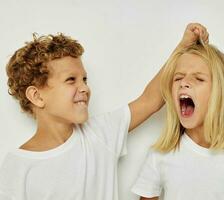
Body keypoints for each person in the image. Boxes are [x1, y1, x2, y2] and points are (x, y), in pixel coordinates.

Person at [0, 24, 208, 200]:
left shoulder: (100, 134)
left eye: (85, 79)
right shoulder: (18, 165)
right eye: (71, 80)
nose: (84, 88)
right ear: (36, 96)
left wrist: (183, 47)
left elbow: (150, 100)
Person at [131, 43, 224, 200]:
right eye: (178, 77)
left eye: (199, 79)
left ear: (221, 92)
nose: (184, 83)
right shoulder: (162, 154)